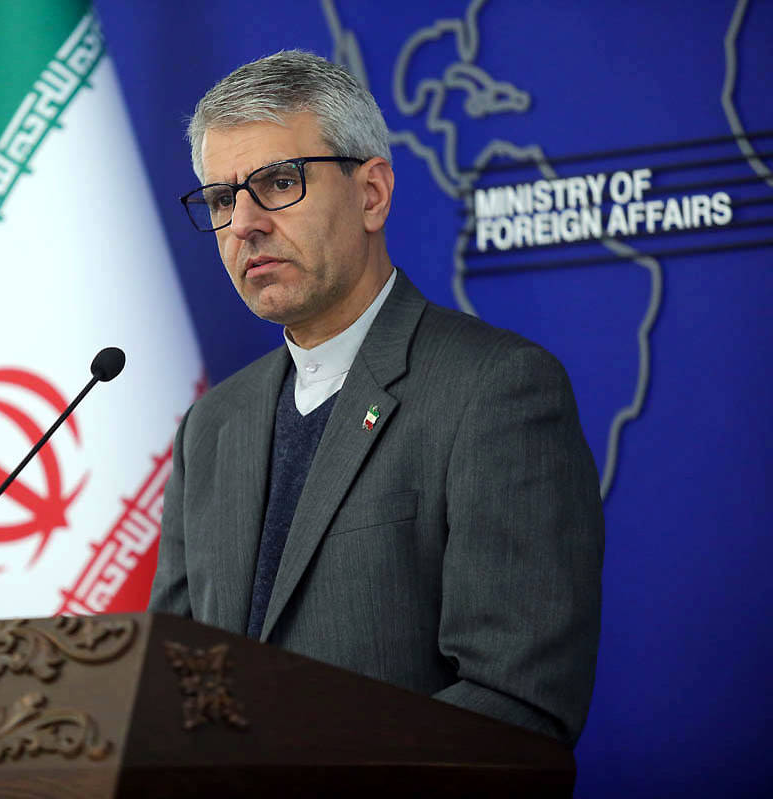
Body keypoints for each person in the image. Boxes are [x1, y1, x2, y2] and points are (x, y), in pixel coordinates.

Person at [148, 50, 604, 747]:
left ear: (372, 194)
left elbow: (518, 705)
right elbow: (174, 682)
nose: (243, 224)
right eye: (221, 198)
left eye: (278, 183)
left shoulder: (496, 390)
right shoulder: (212, 426)